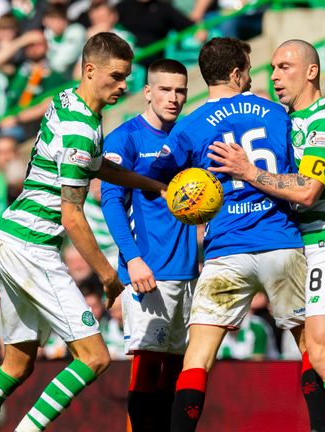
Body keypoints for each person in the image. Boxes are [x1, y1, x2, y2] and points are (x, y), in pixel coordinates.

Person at [0, 33, 168, 432]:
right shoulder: (81, 130)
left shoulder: (70, 101)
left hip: (7, 236)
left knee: (17, 365)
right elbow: (72, 216)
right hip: (31, 246)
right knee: (94, 357)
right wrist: (108, 276)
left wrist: (152, 185)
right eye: (118, 77)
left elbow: (93, 164)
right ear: (90, 70)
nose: (124, 86)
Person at [208, 39, 325, 432]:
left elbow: (306, 190)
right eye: (272, 69)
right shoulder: (279, 120)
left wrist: (248, 171)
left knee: (320, 351)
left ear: (311, 71)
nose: (275, 76)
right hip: (302, 245)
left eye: (285, 67)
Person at [145, 38, 308, 432]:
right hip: (281, 242)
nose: (252, 78)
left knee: (197, 359)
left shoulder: (190, 126)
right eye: (249, 71)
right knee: (315, 351)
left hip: (226, 251)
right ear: (237, 73)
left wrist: (188, 195)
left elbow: (156, 178)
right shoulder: (276, 113)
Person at [100, 58, 197, 432]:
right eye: (165, 90)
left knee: (174, 373)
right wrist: (134, 258)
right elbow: (111, 203)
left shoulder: (187, 136)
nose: (173, 98)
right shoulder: (125, 138)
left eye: (180, 91)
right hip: (148, 273)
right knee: (146, 370)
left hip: (187, 270)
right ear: (147, 92)